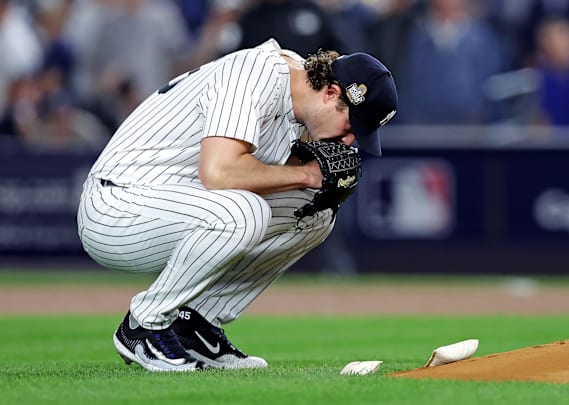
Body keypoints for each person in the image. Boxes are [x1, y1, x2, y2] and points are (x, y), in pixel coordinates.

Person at [76, 38, 398, 372]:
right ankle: (144, 324)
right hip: (115, 206)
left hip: (175, 201)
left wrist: (309, 177)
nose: (348, 141)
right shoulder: (256, 73)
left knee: (316, 212)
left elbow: (259, 174)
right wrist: (306, 174)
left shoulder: (300, 102)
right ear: (331, 93)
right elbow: (219, 172)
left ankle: (192, 322)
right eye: (351, 126)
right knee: (245, 213)